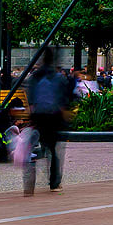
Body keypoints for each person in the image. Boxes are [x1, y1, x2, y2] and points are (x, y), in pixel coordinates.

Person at [25, 60, 78, 194]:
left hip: (39, 117)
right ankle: (54, 182)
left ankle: (30, 181)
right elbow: (65, 98)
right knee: (55, 151)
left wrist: (32, 115)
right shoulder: (58, 78)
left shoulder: (35, 77)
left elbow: (30, 100)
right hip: (54, 118)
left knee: (37, 147)